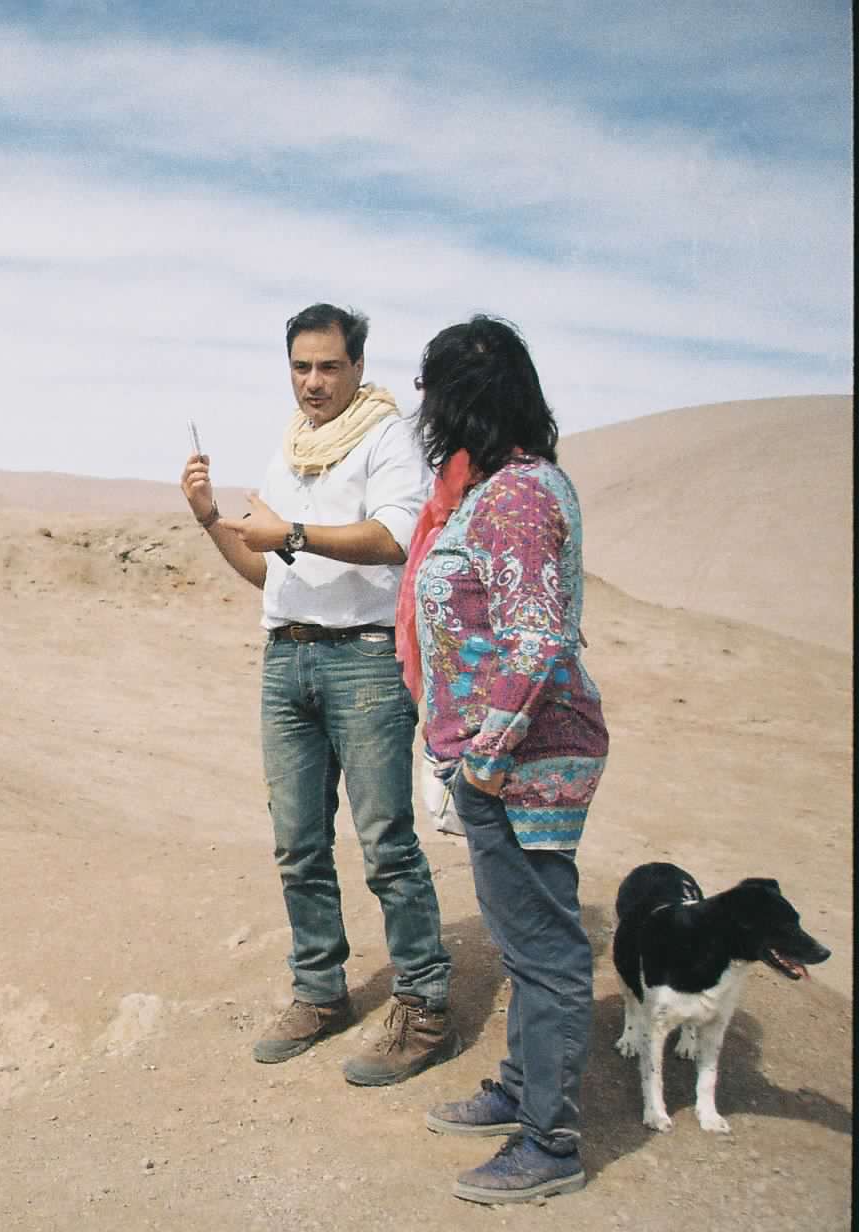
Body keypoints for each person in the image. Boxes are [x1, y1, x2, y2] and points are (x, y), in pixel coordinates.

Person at [181, 303, 456, 1087]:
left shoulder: (388, 438)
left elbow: (396, 536)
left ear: (358, 366)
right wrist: (212, 523)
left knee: (386, 845)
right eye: (301, 366)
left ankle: (426, 1003)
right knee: (298, 844)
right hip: (288, 661)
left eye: (329, 366)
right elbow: (271, 575)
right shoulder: (290, 451)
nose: (313, 381)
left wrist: (293, 531)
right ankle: (319, 990)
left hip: (365, 663)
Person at [396, 315, 608, 1204]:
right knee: (525, 944)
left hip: (521, 766)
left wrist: (482, 759)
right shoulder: (501, 488)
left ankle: (551, 1143)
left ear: (458, 400)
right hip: (502, 763)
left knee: (547, 949)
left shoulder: (517, 496)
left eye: (431, 391)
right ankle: (522, 1089)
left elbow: (535, 637)